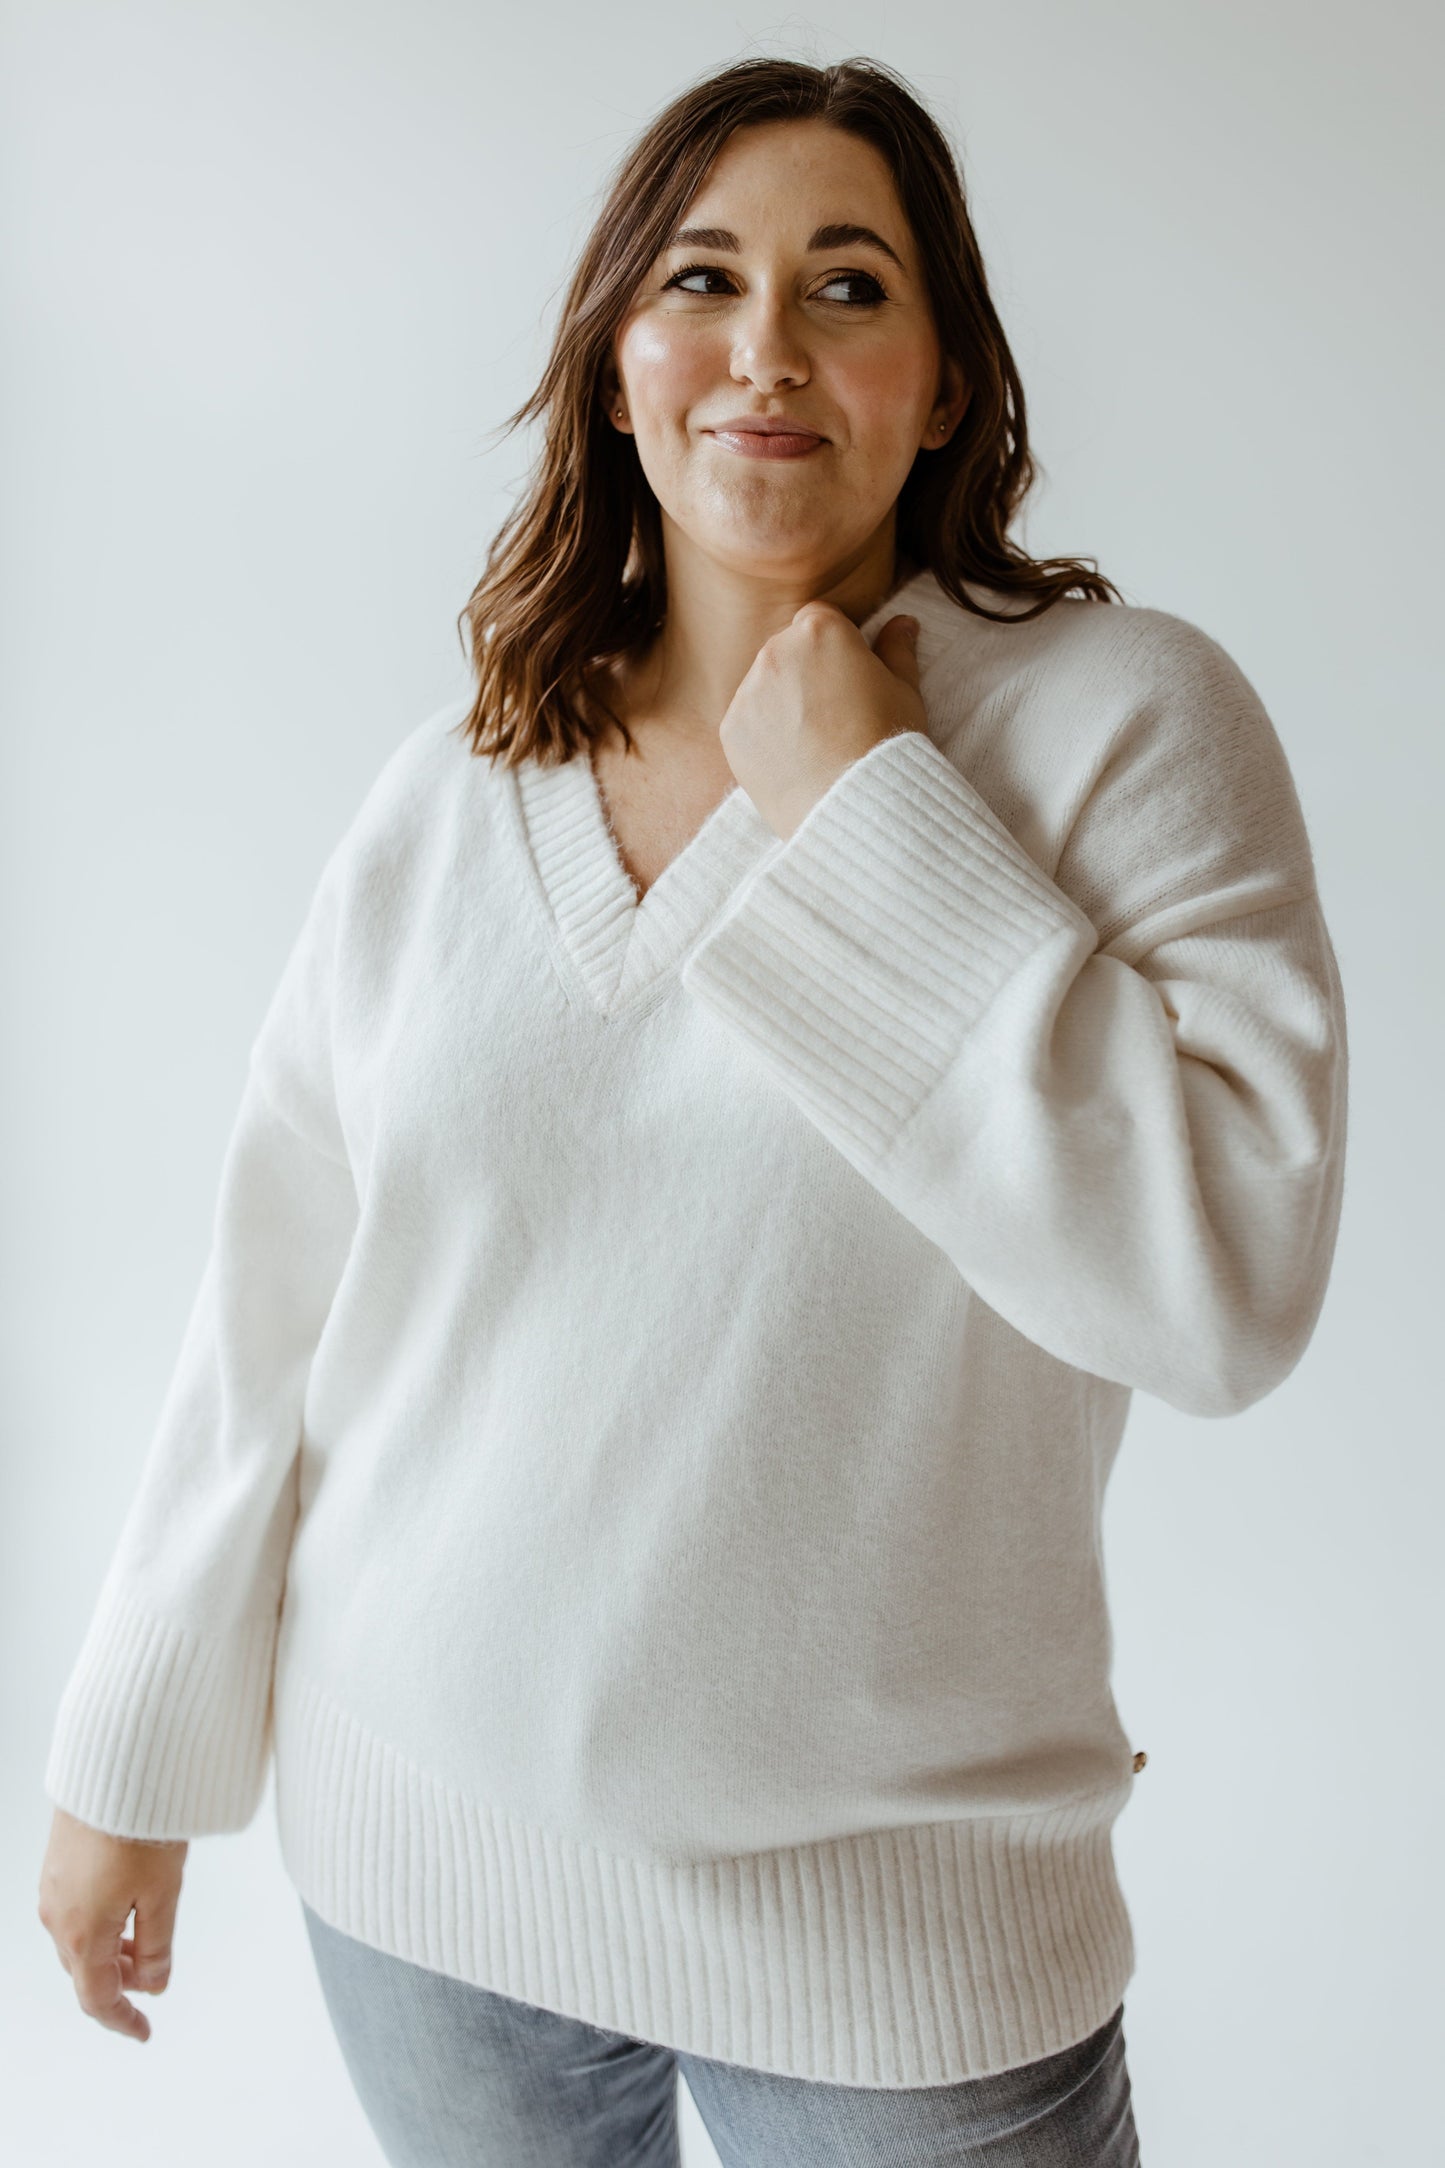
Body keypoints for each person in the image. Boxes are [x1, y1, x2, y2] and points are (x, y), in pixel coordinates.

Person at [37, 52, 1348, 2167]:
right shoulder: (462, 785)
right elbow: (272, 1298)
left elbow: (1223, 1291)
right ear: (618, 364)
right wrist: (129, 1759)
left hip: (900, 1948)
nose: (766, 349)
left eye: (848, 286)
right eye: (703, 281)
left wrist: (865, 813)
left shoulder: (1122, 728)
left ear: (944, 382)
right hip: (420, 1878)